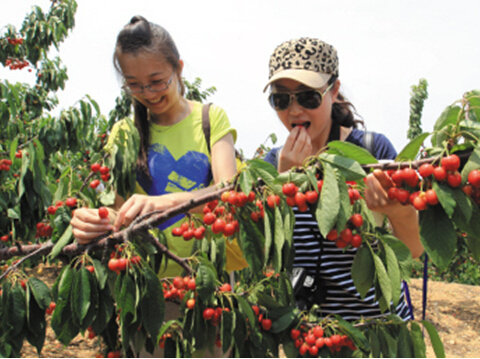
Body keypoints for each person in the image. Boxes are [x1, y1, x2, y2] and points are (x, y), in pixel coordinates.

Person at [262, 37, 423, 320]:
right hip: (309, 337)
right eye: (281, 99)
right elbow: (267, 257)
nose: (294, 110)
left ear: (334, 91)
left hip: (377, 332)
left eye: (308, 96)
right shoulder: (271, 165)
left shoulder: (372, 153)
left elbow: (411, 252)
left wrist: (397, 211)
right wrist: (283, 185)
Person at [70, 16, 240, 279]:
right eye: (134, 84)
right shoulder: (124, 133)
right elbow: (119, 213)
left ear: (179, 69)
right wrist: (93, 221)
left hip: (205, 281)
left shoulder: (210, 118)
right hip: (144, 283)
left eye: (157, 81)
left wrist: (161, 203)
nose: (148, 93)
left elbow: (229, 192)